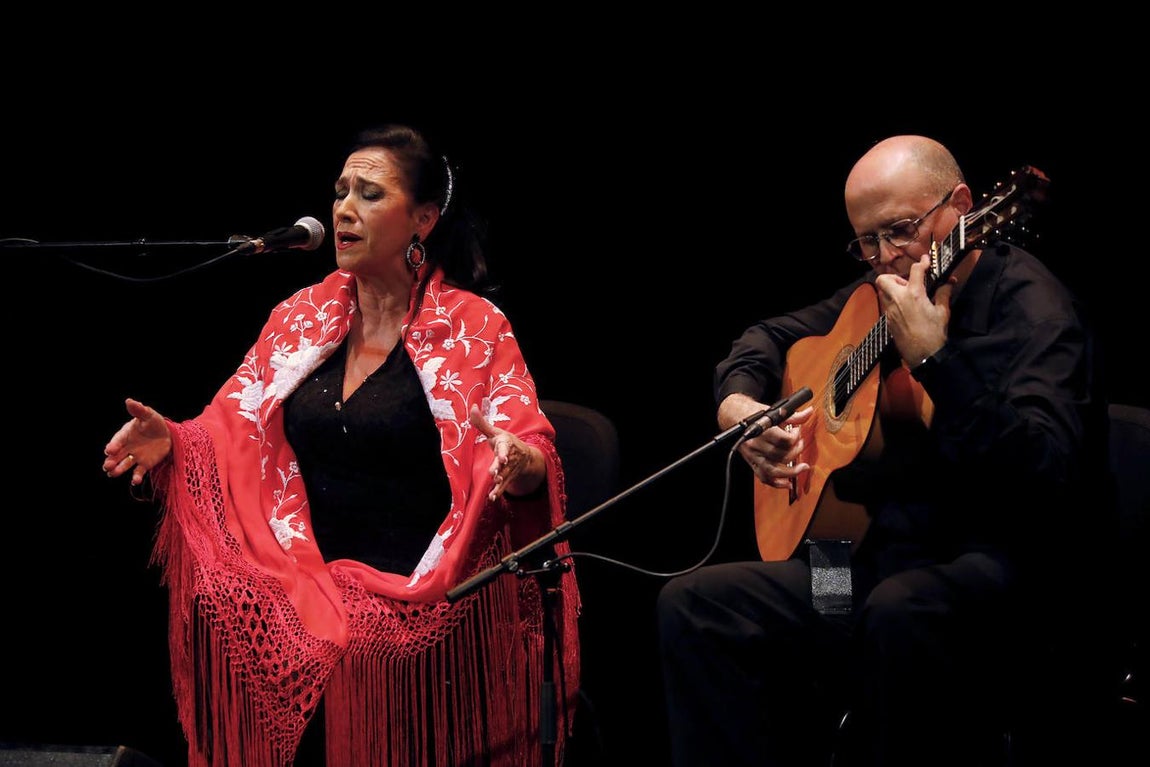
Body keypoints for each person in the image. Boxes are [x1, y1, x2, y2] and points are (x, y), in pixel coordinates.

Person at [102, 123, 581, 767]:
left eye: (370, 194)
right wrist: (175, 441)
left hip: (423, 601)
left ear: (423, 219)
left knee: (351, 643)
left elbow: (528, 449)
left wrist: (520, 464)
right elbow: (231, 429)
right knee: (227, 611)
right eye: (340, 192)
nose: (344, 209)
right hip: (303, 584)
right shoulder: (300, 316)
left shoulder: (474, 325)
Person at [656, 135, 1117, 766]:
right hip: (872, 562)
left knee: (897, 613)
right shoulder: (880, 294)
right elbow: (767, 336)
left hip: (1008, 580)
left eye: (899, 231)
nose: (883, 260)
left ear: (961, 205)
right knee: (699, 605)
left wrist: (936, 360)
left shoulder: (1038, 316)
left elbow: (1046, 478)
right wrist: (737, 405)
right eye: (866, 242)